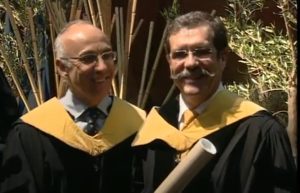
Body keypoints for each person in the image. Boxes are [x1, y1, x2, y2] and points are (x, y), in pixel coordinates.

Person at [132, 11, 296, 193]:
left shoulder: (260, 131)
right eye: (179, 54)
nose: (190, 63)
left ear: (223, 57)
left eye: (202, 52)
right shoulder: (154, 129)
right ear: (169, 62)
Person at [0, 20, 146, 193]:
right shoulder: (30, 134)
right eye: (88, 58)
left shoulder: (140, 125)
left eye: (107, 55)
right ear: (62, 67)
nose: (102, 66)